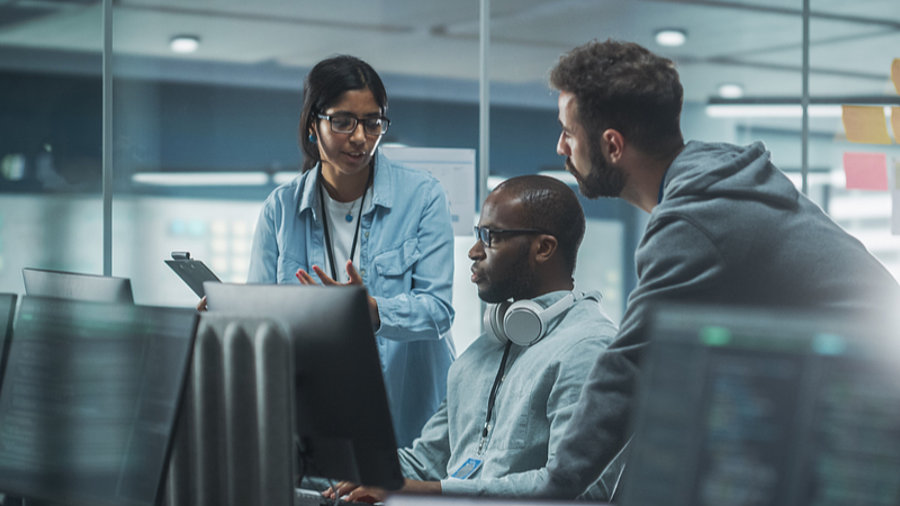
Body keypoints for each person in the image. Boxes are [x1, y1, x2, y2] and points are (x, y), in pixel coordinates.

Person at [540, 38, 900, 499]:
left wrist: (549, 492)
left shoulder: (696, 219)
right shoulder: (716, 178)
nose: (560, 147)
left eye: (568, 132)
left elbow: (627, 369)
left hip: (864, 426)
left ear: (612, 145)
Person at [323, 175, 618, 503]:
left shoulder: (589, 348)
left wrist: (427, 490)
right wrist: (347, 469)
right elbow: (424, 465)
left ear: (544, 248)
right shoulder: (483, 351)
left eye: (491, 237)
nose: (474, 251)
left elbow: (579, 489)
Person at [246, 55, 456, 447]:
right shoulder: (280, 209)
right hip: (314, 418)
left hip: (408, 427)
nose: (360, 138)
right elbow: (261, 315)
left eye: (373, 122)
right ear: (313, 123)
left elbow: (439, 313)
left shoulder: (423, 196)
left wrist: (372, 311)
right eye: (343, 122)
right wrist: (226, 319)